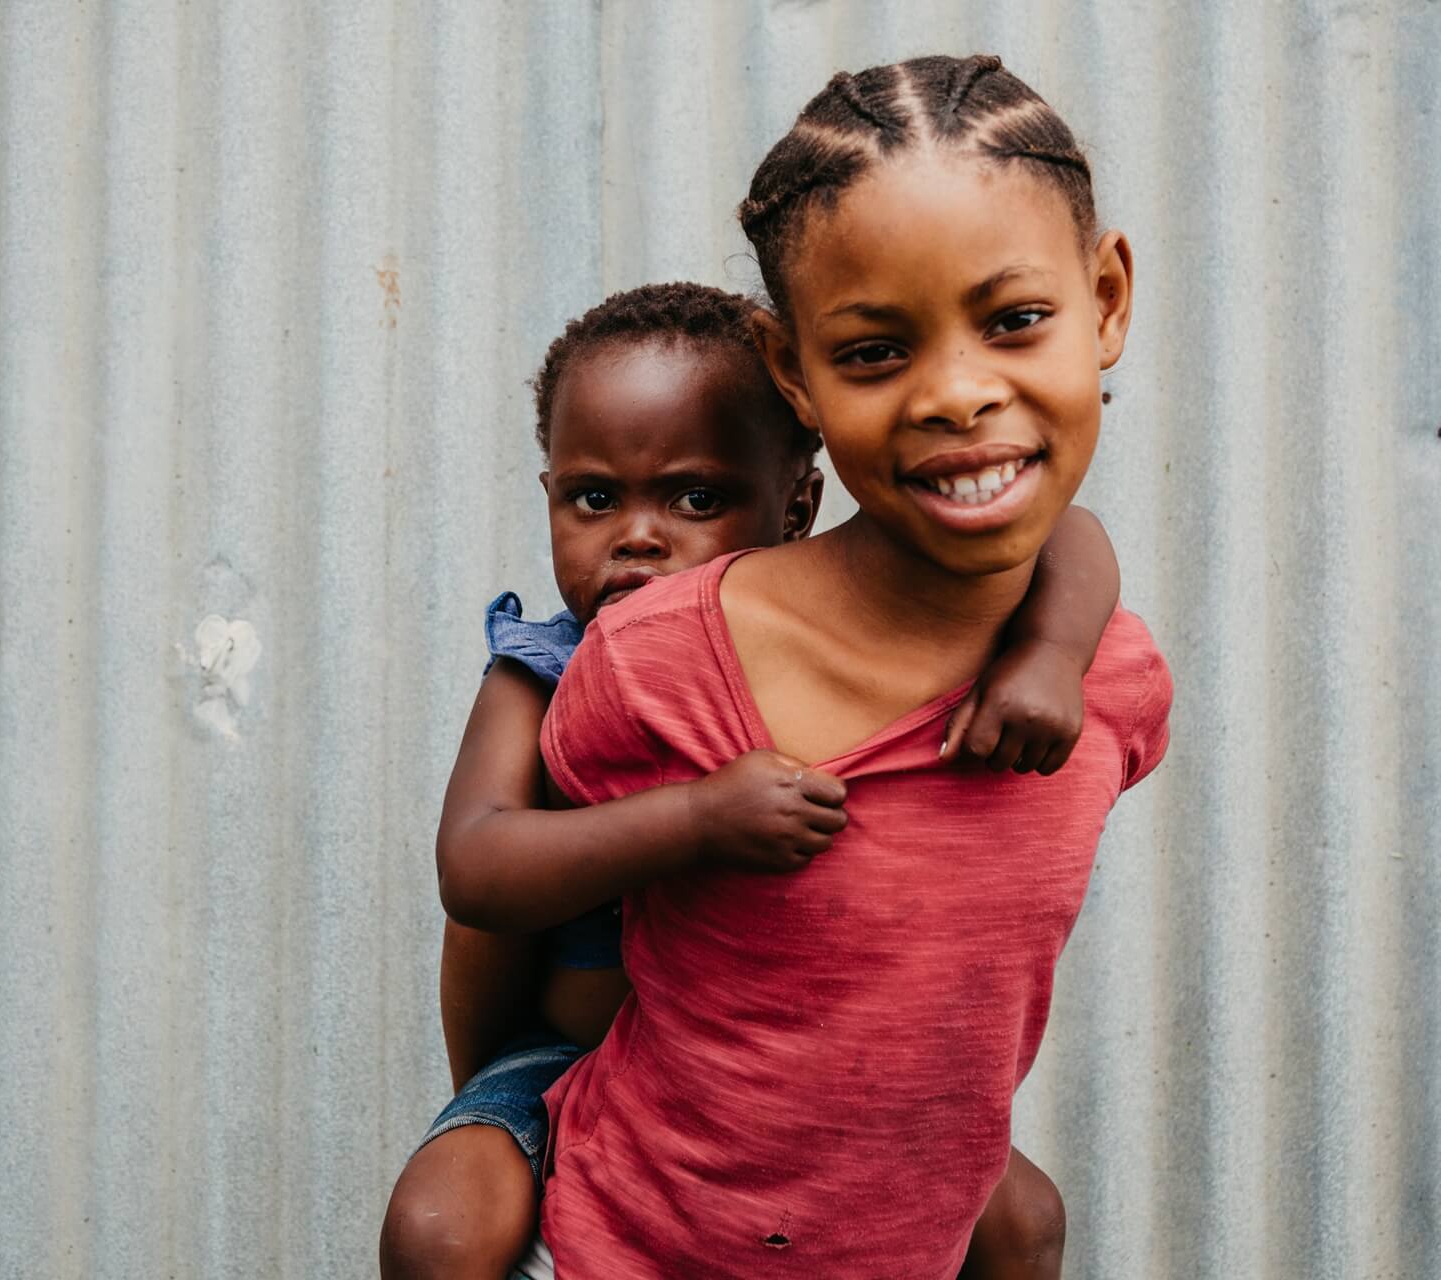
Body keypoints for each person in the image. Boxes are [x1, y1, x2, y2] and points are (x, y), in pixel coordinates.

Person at [524, 55, 1173, 1277]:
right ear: (792, 372)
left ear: (1107, 297)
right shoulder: (657, 663)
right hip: (628, 1243)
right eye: (876, 352)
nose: (959, 393)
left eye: (1017, 319)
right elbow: (502, 915)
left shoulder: (1111, 686)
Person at [380, 277, 1123, 1279]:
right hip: (575, 1068)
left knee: (1023, 1218)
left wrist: (1052, 650)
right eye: (594, 498)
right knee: (440, 1225)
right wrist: (694, 818)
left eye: (697, 497)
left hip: (813, 1095)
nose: (638, 535)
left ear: (798, 504)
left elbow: (1058, 529)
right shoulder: (542, 671)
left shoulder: (830, 643)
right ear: (549, 493)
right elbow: (474, 864)